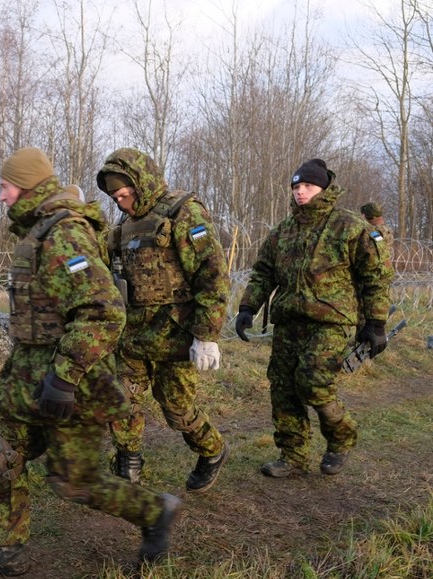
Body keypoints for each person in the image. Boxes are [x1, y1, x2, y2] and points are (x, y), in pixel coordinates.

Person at [0, 147, 180, 577]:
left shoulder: (64, 234)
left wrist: (65, 377)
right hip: (28, 380)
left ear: (26, 186)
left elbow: (103, 310)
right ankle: (6, 548)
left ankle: (155, 511)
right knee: (5, 458)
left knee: (74, 481)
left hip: (69, 385)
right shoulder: (37, 230)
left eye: (4, 186)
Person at [236, 158, 393, 477]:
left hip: (331, 323)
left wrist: (375, 324)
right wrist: (247, 308)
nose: (300, 192)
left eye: (307, 185)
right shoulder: (284, 230)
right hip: (289, 322)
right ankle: (292, 457)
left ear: (323, 188)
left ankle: (341, 438)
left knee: (313, 383)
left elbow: (375, 276)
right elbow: (263, 273)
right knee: (282, 388)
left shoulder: (348, 226)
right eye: (295, 187)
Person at [95, 148, 230, 491]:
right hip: (134, 334)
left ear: (142, 182)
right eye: (115, 197)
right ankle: (129, 462)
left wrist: (206, 334)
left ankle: (212, 450)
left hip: (176, 334)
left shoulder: (183, 211)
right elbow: (100, 253)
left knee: (177, 408)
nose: (121, 202)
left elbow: (211, 274)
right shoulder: (124, 224)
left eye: (125, 193)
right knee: (120, 399)